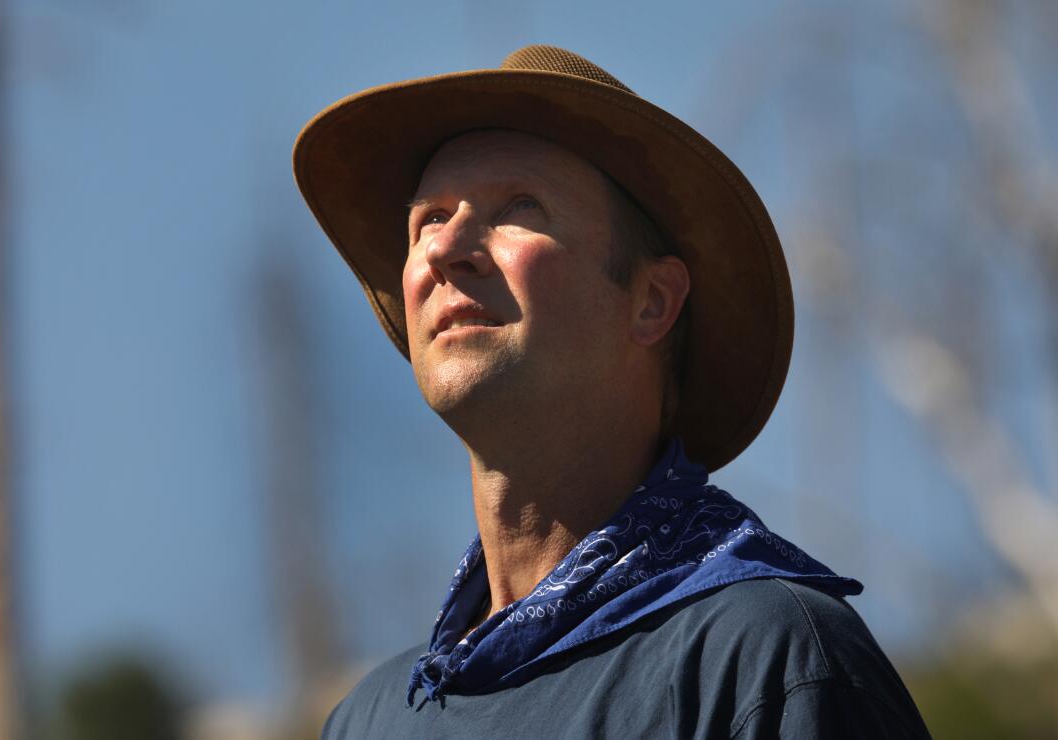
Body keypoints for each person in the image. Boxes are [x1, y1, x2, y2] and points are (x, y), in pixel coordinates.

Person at [294, 45, 931, 739]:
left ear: (652, 301)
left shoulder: (767, 662)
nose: (448, 249)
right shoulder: (368, 722)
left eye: (519, 207)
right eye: (431, 219)